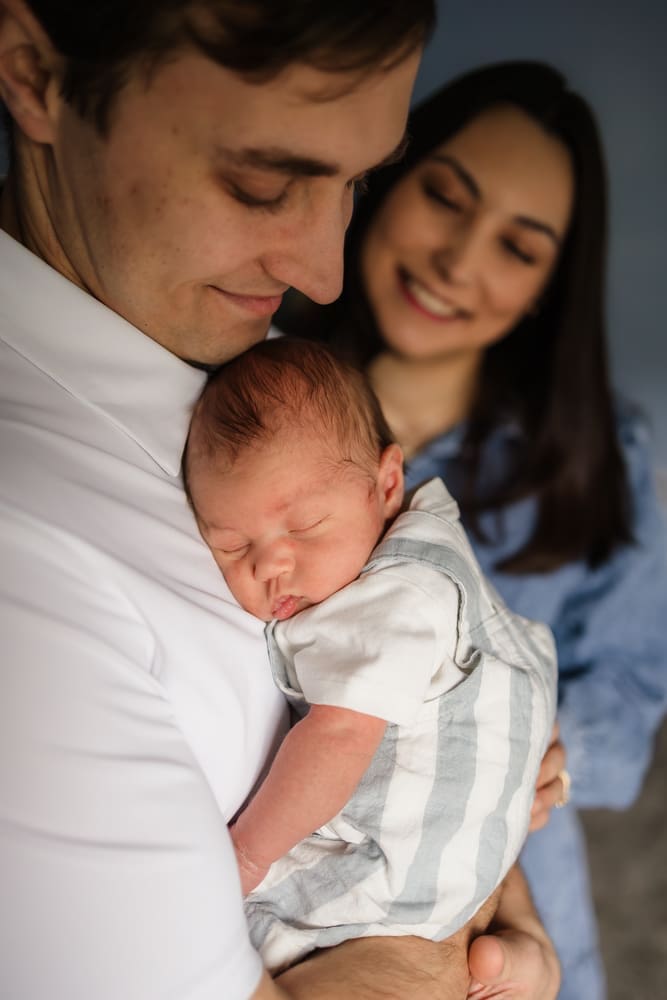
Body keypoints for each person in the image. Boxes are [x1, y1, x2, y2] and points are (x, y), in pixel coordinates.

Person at [0, 3, 562, 997]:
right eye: (263, 185)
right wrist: (451, 947)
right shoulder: (25, 561)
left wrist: (502, 875)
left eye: (356, 184)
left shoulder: (268, 380)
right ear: (31, 72)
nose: (323, 271)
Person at [276, 60, 667, 1000]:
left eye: (517, 248)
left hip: (507, 915)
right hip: (293, 890)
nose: (458, 263)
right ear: (382, 180)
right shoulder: (252, 395)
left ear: (546, 286)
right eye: (445, 200)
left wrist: (539, 740)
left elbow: (633, 687)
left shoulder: (601, 454)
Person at [184, 336, 557, 989]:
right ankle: (519, 960)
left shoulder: (393, 598)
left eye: (302, 527)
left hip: (393, 899)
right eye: (232, 544)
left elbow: (339, 735)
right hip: (454, 883)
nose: (271, 564)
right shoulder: (401, 554)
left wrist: (245, 856)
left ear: (387, 485)